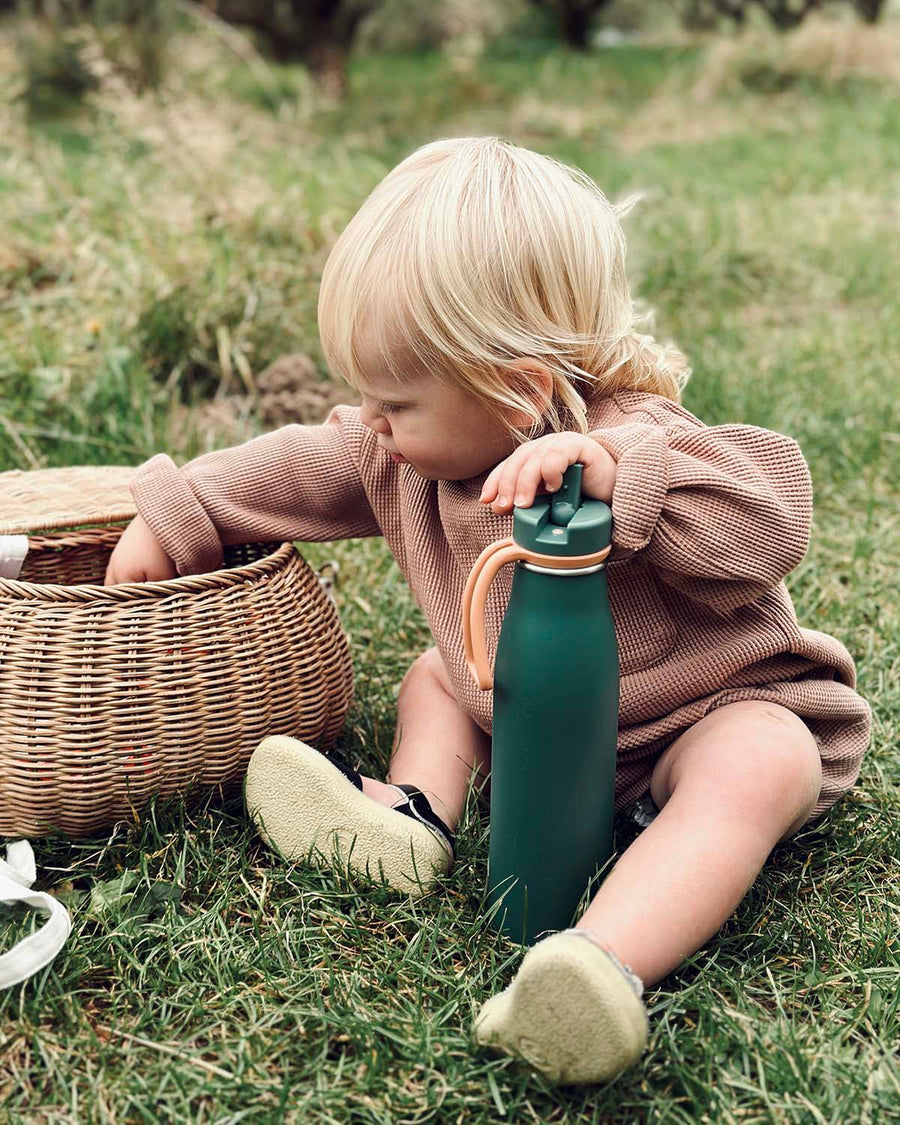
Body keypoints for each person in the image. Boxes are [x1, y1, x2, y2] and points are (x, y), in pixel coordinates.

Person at [105, 136, 871, 1086]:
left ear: (518, 390)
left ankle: (597, 964)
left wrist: (628, 476)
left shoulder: (636, 439)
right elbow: (297, 465)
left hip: (695, 720)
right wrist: (177, 507)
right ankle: (410, 817)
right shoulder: (402, 450)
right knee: (437, 674)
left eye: (394, 401)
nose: (370, 424)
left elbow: (773, 522)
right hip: (530, 722)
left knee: (757, 759)